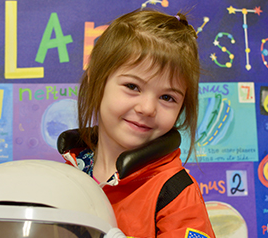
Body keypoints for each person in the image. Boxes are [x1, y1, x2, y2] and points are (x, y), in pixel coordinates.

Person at [57, 8, 216, 238]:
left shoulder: (175, 193)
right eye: (133, 87)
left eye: (167, 98)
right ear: (96, 81)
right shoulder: (66, 176)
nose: (147, 108)